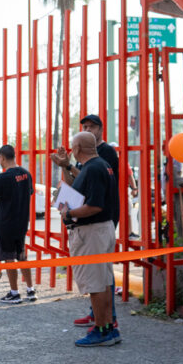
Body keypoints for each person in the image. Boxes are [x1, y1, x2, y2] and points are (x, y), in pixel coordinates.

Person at [54, 116, 121, 331]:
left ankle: (102, 329)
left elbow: (94, 205)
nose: (89, 129)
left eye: (92, 126)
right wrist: (65, 166)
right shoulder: (93, 165)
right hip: (98, 229)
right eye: (85, 127)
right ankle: (106, 326)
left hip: (93, 231)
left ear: (77, 148)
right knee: (102, 281)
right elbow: (76, 186)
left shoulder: (97, 165)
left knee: (96, 284)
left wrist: (69, 213)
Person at [0, 144, 35, 303]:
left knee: (9, 258)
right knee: (22, 257)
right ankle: (30, 290)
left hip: (5, 224)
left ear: (2, 158)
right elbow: (30, 192)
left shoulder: (3, 177)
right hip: (21, 224)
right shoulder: (26, 174)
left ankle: (14, 293)